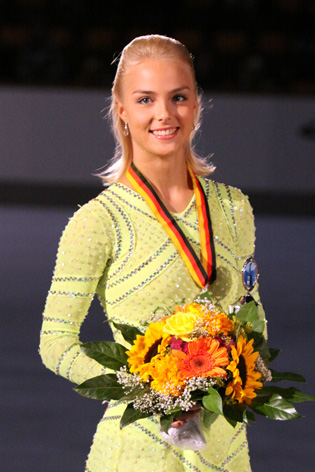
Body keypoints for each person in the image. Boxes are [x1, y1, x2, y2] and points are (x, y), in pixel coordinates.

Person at [40, 34, 262, 472]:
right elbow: (55, 343)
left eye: (178, 97)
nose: (164, 114)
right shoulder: (98, 221)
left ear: (196, 103)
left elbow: (251, 313)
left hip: (224, 447)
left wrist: (239, 373)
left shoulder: (234, 207)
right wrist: (146, 390)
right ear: (121, 110)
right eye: (145, 99)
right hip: (138, 449)